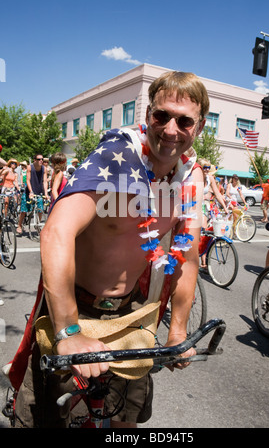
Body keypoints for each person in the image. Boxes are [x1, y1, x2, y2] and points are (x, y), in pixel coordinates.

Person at [10, 70, 209, 428]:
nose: (170, 129)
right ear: (148, 115)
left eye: (184, 121)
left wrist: (177, 330)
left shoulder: (191, 176)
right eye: (161, 115)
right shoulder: (117, 156)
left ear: (200, 127)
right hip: (75, 308)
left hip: (131, 312)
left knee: (125, 420)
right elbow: (56, 232)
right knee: (50, 420)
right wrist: (68, 332)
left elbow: (189, 257)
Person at [198, 159, 229, 269]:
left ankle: (203, 261)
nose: (206, 170)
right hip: (194, 205)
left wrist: (225, 207)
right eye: (204, 167)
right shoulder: (196, 176)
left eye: (208, 167)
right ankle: (202, 262)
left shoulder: (210, 178)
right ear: (200, 167)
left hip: (204, 206)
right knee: (203, 230)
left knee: (206, 233)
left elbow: (217, 193)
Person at [16, 154, 49, 234]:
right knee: (24, 210)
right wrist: (31, 191)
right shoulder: (30, 167)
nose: (41, 161)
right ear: (35, 160)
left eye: (42, 159)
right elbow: (28, 180)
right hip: (29, 191)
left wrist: (46, 193)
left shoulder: (44, 169)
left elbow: (44, 181)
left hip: (39, 190)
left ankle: (37, 224)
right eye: (39, 159)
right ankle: (19, 225)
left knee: (40, 209)